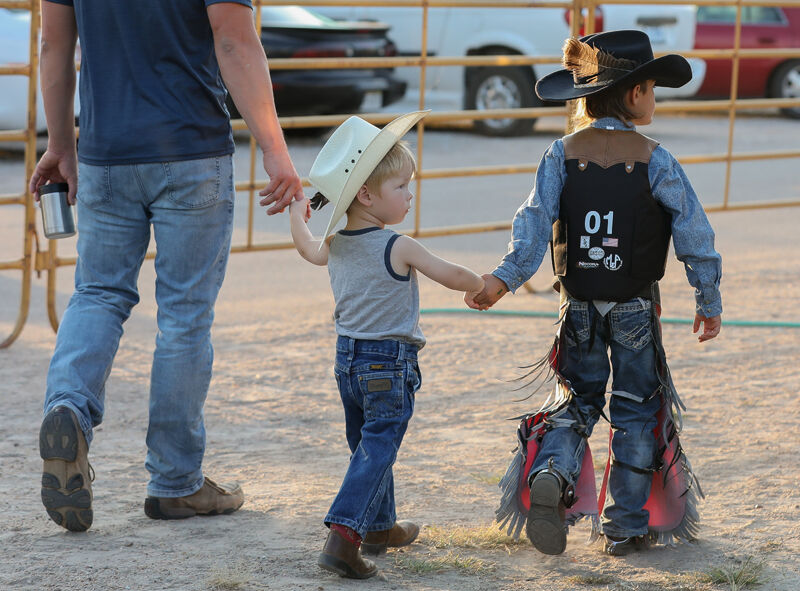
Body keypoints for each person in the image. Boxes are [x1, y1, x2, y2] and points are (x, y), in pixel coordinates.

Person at [30, 0, 304, 532]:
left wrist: (61, 144)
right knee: (184, 314)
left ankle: (68, 407)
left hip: (106, 155)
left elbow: (53, 46)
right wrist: (274, 150)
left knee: (98, 294)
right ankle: (176, 483)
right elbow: (233, 40)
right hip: (192, 151)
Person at [469, 30, 722, 556]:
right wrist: (707, 299)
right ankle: (626, 524)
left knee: (576, 401)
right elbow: (696, 236)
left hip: (577, 303)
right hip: (633, 304)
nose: (652, 97)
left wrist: (503, 279)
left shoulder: (559, 155)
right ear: (633, 94)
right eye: (651, 87)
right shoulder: (657, 160)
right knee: (634, 409)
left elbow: (532, 227)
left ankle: (554, 472)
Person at [289, 111, 485, 578]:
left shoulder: (334, 242)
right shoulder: (397, 244)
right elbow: (449, 273)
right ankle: (343, 536)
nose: (410, 195)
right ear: (366, 194)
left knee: (367, 444)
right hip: (388, 364)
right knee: (379, 446)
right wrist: (478, 283)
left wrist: (299, 217)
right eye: (401, 188)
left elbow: (307, 248)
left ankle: (379, 526)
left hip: (347, 361)